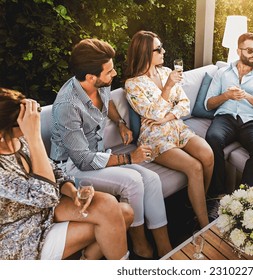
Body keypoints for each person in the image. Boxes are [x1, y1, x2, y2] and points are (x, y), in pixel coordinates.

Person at [50, 38, 172, 259]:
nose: (114, 74)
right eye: (109, 71)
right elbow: (83, 160)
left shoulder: (99, 85)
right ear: (90, 77)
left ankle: (166, 248)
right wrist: (128, 159)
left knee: (152, 178)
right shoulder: (67, 106)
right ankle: (140, 246)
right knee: (133, 181)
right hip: (70, 168)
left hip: (97, 155)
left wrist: (121, 123)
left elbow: (108, 104)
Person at [0, 88, 133, 260]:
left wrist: (72, 192)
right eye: (24, 123)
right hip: (20, 235)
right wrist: (35, 138)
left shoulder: (18, 140)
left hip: (45, 212)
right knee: (116, 218)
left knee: (124, 212)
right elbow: (46, 197)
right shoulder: (27, 142)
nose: (30, 125)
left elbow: (53, 171)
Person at [123, 30, 214, 228]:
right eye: (158, 49)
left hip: (176, 126)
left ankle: (198, 202)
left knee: (207, 154)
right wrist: (166, 90)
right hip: (154, 137)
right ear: (145, 53)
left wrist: (167, 117)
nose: (163, 51)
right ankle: (204, 224)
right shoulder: (132, 85)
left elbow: (184, 104)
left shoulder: (166, 73)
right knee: (194, 167)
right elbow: (151, 113)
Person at [204, 32, 253, 203]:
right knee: (212, 138)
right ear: (239, 50)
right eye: (250, 50)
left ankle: (242, 200)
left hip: (251, 121)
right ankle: (218, 195)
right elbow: (208, 104)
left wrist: (248, 97)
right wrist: (226, 96)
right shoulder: (222, 73)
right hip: (225, 118)